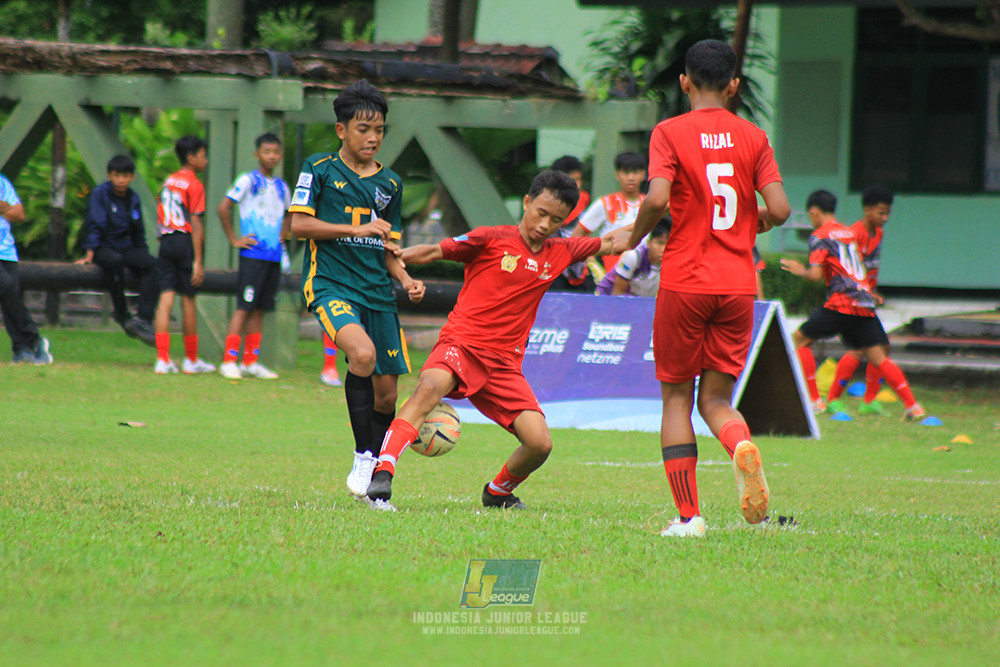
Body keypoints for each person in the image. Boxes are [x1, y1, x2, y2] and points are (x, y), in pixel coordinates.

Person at [365, 170, 626, 511]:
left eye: (556, 220)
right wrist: (400, 256)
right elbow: (433, 251)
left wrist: (660, 206)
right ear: (527, 202)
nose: (545, 224)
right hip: (461, 344)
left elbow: (614, 242)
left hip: (504, 363)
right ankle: (382, 475)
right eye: (541, 213)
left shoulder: (562, 250)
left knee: (539, 444)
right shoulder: (491, 238)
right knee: (428, 388)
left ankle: (498, 492)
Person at [624, 39, 791, 538]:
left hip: (685, 281)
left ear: (684, 82)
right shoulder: (754, 137)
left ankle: (689, 517)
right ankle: (739, 444)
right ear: (735, 86)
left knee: (676, 400)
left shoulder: (669, 132)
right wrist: (749, 223)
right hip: (737, 287)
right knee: (716, 401)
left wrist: (634, 237)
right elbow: (780, 211)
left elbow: (656, 197)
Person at [288, 79, 425, 501]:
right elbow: (298, 226)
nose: (373, 137)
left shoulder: (392, 184)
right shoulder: (319, 168)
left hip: (378, 292)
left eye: (379, 129)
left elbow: (387, 246)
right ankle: (363, 456)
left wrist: (405, 278)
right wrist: (355, 226)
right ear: (341, 130)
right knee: (360, 355)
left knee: (388, 394)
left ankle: (378, 480)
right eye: (363, 129)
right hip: (331, 284)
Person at [780, 189, 924, 422]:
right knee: (878, 357)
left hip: (842, 303)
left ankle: (815, 401)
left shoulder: (820, 235)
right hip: (864, 302)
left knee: (797, 341)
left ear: (814, 212)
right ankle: (913, 406)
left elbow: (816, 275)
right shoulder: (848, 232)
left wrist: (801, 271)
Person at [216, 133, 291, 380]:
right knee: (243, 307)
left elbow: (290, 213)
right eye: (266, 151)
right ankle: (229, 360)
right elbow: (223, 207)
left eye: (275, 152)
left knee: (260, 309)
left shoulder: (282, 186)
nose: (271, 156)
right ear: (257, 154)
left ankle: (250, 361)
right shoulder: (248, 180)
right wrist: (234, 239)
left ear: (280, 155)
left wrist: (283, 235)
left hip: (273, 256)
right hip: (253, 255)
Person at [824, 185, 895, 416]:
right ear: (867, 210)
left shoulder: (879, 234)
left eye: (887, 213)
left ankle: (868, 400)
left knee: (881, 347)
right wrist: (864, 291)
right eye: (880, 213)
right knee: (861, 349)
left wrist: (872, 291)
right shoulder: (853, 235)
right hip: (851, 301)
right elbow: (848, 270)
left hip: (866, 300)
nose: (884, 218)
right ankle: (832, 399)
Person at [76, 154, 158, 346]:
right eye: (117, 175)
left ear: (132, 177)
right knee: (115, 262)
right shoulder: (100, 194)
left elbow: (138, 231)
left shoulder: (133, 198)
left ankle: (143, 319)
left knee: (154, 266)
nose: (121, 180)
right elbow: (95, 224)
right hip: (103, 247)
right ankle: (122, 314)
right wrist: (90, 253)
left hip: (125, 246)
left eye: (126, 176)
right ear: (109, 175)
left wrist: (143, 255)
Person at [153, 135, 216, 375]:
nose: (206, 160)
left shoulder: (169, 181)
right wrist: (198, 260)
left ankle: (163, 359)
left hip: (166, 240)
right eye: (203, 155)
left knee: (165, 298)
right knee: (188, 299)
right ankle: (191, 360)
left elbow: (162, 212)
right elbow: (196, 224)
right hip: (183, 241)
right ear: (192, 158)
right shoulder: (195, 184)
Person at [0, 172, 52, 364]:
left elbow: (19, 214)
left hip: (6, 252)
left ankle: (23, 349)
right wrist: (3, 208)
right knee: (5, 287)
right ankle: (34, 339)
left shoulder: (2, 182)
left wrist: (4, 208)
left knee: (10, 297)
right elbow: (8, 210)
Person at [572, 151, 646, 273]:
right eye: (626, 173)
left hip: (644, 276)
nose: (631, 178)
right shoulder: (605, 203)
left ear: (643, 175)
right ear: (617, 175)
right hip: (611, 273)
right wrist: (592, 263)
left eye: (635, 172)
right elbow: (577, 235)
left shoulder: (651, 205)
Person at [548, 155, 594, 292]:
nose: (578, 185)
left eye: (579, 179)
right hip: (551, 268)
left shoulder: (585, 200)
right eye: (573, 181)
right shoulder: (544, 203)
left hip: (579, 267)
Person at [595, 216, 670, 296]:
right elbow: (617, 295)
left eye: (668, 244)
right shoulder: (633, 257)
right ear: (649, 242)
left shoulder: (672, 262)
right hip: (607, 298)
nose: (663, 249)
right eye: (659, 243)